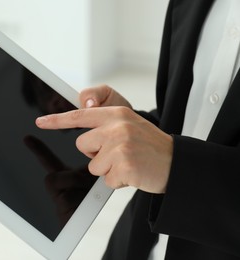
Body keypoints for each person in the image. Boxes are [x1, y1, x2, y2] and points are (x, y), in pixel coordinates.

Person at [36, 0, 240, 259]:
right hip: (136, 244)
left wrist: (174, 166)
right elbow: (186, 120)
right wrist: (134, 128)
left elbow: (175, 160)